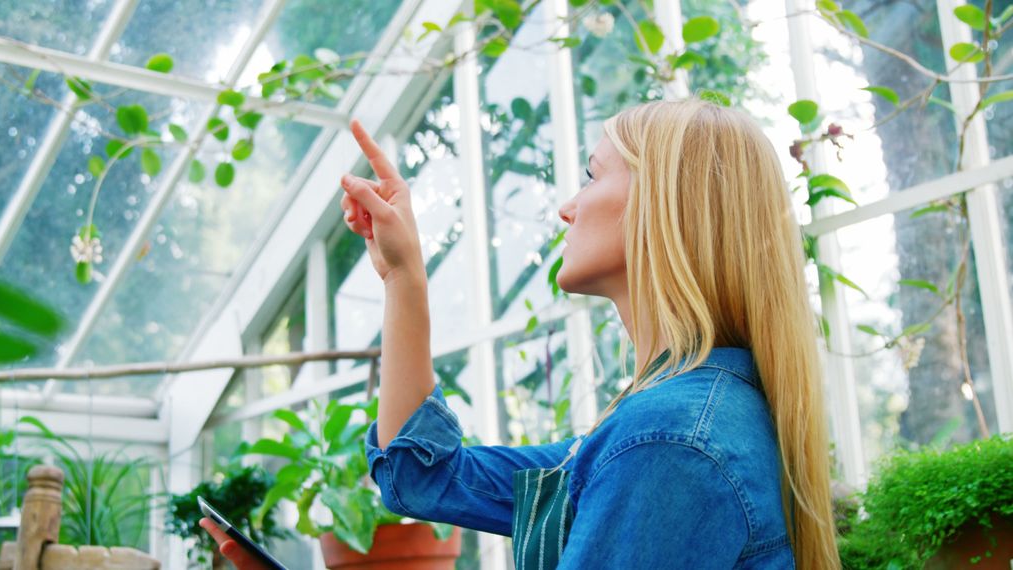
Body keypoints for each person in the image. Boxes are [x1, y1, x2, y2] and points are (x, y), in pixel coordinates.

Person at [202, 99, 841, 569]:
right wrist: (403, 275)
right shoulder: (664, 425)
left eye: (592, 176)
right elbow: (424, 478)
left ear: (663, 206)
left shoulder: (670, 442)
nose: (568, 205)